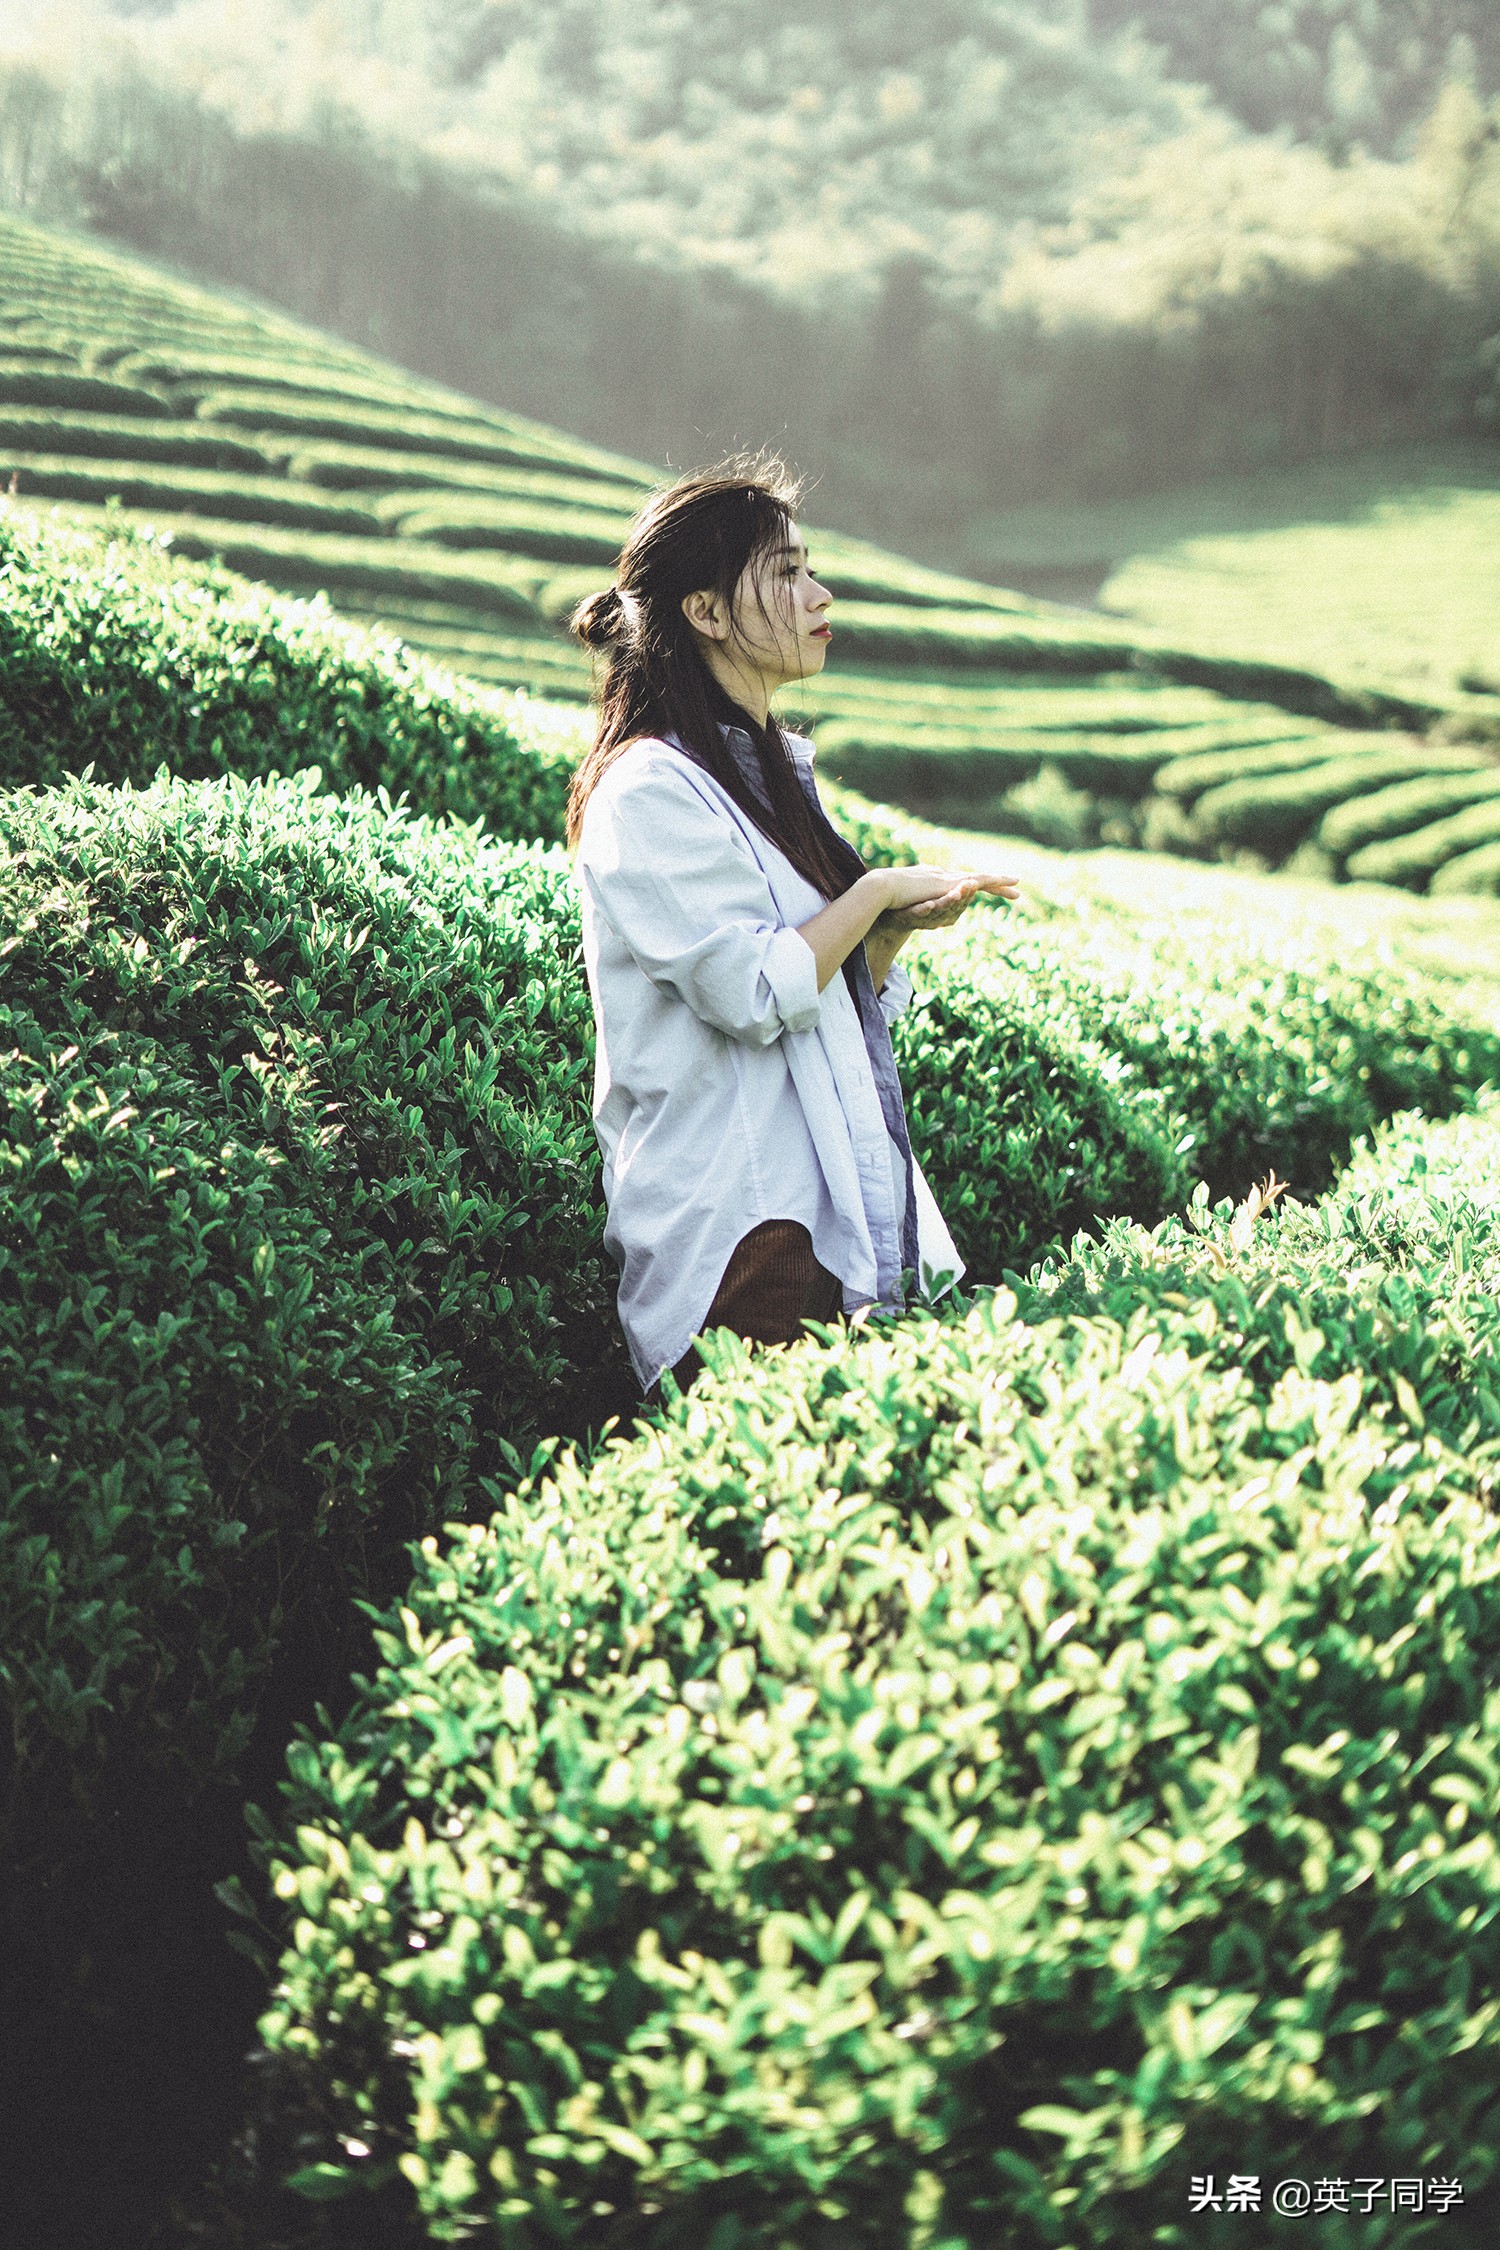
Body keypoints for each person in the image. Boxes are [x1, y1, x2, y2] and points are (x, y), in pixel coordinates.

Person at [566, 458, 1021, 1409]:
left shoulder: (765, 773)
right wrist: (875, 891)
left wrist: (886, 935)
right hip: (746, 1231)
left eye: (810, 568)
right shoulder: (649, 789)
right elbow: (753, 990)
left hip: (818, 1211)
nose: (819, 594)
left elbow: (816, 987)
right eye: (785, 572)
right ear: (706, 612)